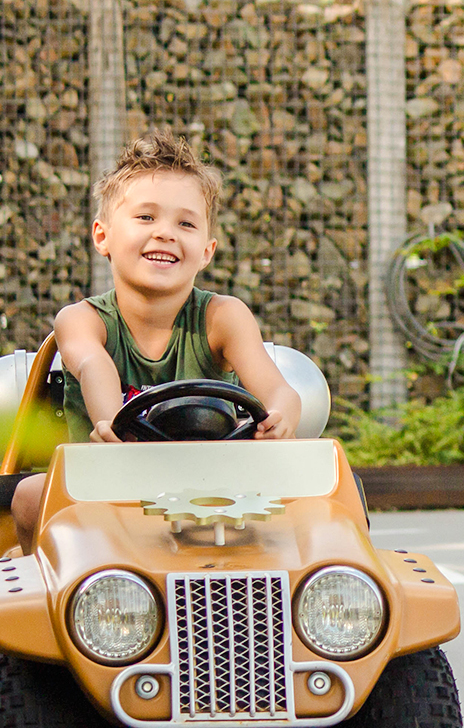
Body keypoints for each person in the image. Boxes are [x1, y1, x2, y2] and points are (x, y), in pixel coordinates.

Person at [9, 130, 301, 554]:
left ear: (206, 250)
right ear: (102, 236)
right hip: (107, 484)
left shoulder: (223, 317)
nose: (165, 233)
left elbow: (277, 389)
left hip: (215, 486)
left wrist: (282, 417)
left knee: (320, 500)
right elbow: (93, 365)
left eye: (185, 223)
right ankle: (46, 588)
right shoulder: (83, 320)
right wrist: (112, 421)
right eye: (146, 218)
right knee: (31, 496)